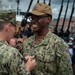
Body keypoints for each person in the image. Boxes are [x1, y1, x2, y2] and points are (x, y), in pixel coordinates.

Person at [22, 3, 73, 75]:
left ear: (48, 19)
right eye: (32, 18)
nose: (33, 21)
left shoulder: (59, 45)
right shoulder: (26, 43)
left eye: (37, 18)